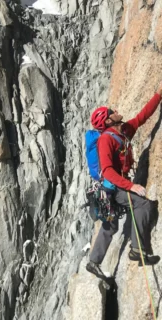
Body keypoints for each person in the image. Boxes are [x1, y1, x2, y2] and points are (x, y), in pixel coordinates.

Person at [86, 83, 162, 277]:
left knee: (111, 224)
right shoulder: (106, 140)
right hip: (113, 186)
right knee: (143, 205)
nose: (116, 111)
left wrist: (159, 94)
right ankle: (137, 250)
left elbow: (142, 117)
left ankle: (93, 261)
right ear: (108, 120)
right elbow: (108, 171)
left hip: (112, 187)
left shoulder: (124, 131)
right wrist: (132, 186)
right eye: (112, 112)